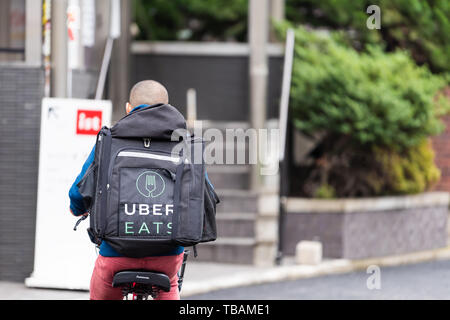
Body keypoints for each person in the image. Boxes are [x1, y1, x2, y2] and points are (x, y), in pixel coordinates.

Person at [69, 80, 186, 300]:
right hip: (167, 257)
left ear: (128, 109)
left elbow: (79, 191)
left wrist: (77, 209)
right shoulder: (184, 145)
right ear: (167, 108)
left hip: (116, 255)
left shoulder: (109, 141)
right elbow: (204, 194)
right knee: (170, 284)